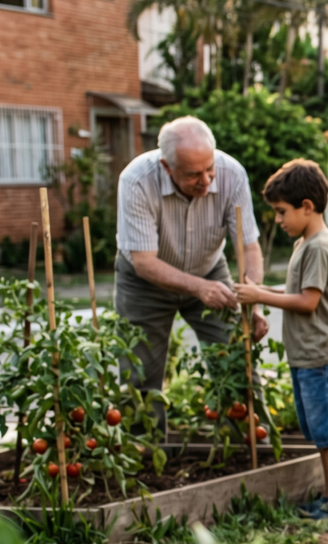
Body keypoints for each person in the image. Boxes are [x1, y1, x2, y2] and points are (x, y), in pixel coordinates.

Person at [115, 116, 268, 427]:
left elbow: (248, 248)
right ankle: (148, 451)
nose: (207, 180)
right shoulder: (136, 180)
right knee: (141, 372)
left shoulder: (232, 174)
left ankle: (248, 443)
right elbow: (144, 261)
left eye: (209, 168)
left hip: (210, 270)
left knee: (235, 361)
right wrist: (198, 288)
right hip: (145, 283)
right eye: (193, 174)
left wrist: (253, 302)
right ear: (166, 167)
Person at [233, 160, 328, 519]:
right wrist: (261, 289)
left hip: (321, 356)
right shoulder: (305, 242)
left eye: (282, 212)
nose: (278, 219)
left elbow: (307, 301)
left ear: (306, 207)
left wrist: (259, 298)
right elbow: (294, 290)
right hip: (308, 356)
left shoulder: (317, 247)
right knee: (318, 427)